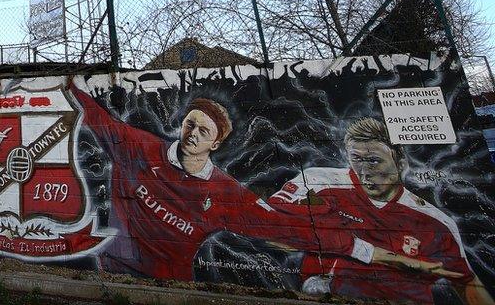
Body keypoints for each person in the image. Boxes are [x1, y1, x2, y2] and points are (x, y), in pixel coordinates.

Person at [71, 86, 449, 281]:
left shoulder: (227, 196)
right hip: (111, 268)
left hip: (168, 283)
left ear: (215, 143)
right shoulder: (138, 147)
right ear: (181, 123)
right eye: (190, 124)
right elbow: (96, 114)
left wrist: (388, 257)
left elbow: (296, 230)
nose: (193, 135)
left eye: (203, 131)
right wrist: (69, 83)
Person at [268, 117, 493, 304]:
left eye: (374, 161)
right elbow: (269, 228)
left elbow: (466, 282)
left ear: (401, 163)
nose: (364, 171)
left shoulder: (434, 222)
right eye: (356, 159)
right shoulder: (318, 183)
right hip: (329, 295)